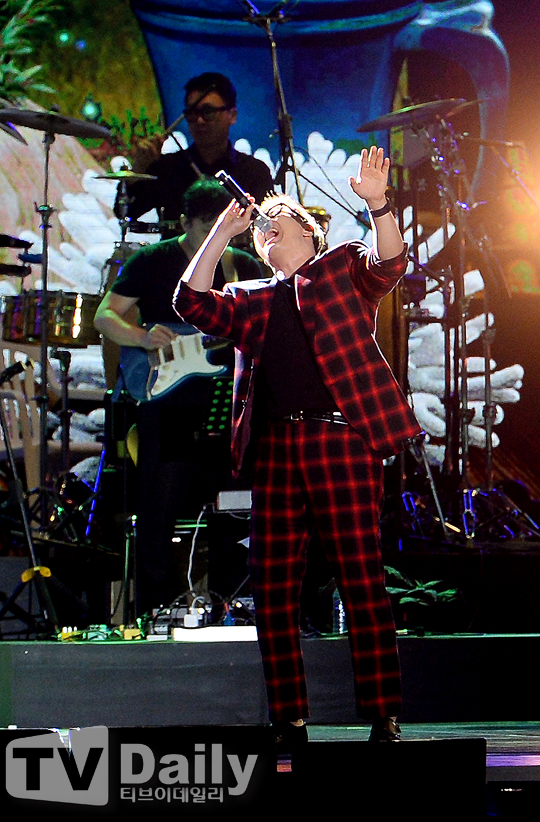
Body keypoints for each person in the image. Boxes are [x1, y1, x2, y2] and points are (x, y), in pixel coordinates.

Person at [173, 146, 422, 749]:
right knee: (273, 589)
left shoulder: (341, 267)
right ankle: (289, 719)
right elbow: (190, 303)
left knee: (361, 579)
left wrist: (379, 204)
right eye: (260, 226)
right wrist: (221, 234)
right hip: (277, 451)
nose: (265, 226)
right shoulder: (251, 297)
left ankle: (384, 715)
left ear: (309, 232)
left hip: (340, 440)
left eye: (277, 219)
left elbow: (390, 263)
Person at [95, 178, 262, 618]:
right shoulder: (154, 260)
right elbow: (105, 316)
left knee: (234, 505)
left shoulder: (243, 265)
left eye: (223, 227)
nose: (215, 236)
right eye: (206, 227)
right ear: (185, 222)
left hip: (227, 402)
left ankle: (231, 604)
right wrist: (141, 336)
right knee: (160, 504)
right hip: (169, 402)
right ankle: (154, 607)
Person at [115, 72, 275, 230]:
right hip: (178, 248)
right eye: (192, 113)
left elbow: (267, 227)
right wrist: (140, 167)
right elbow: (126, 212)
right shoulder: (168, 168)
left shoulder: (254, 172)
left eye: (208, 112)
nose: (199, 120)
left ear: (232, 115)